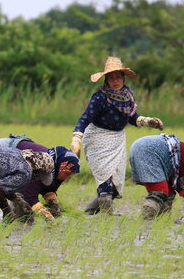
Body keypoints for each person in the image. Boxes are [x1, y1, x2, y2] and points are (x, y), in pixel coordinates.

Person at [70, 56, 164, 215]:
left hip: (117, 140)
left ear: (123, 77)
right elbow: (85, 118)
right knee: (105, 184)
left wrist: (148, 121)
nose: (115, 80)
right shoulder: (99, 97)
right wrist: (76, 139)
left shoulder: (128, 95)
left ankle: (89, 211)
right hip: (97, 139)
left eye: (118, 76)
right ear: (106, 79)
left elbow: (132, 117)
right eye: (111, 77)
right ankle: (108, 220)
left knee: (114, 185)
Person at [0, 134, 80, 219]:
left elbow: (49, 189)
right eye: (67, 174)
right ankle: (3, 216)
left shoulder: (59, 169)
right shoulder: (42, 165)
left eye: (70, 175)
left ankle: (11, 216)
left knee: (26, 211)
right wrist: (48, 217)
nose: (67, 178)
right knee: (21, 206)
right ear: (61, 166)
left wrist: (54, 204)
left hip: (18, 157)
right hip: (2, 150)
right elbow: (30, 197)